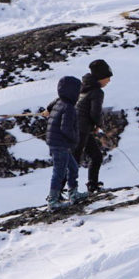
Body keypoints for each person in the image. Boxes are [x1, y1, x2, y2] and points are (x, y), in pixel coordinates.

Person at [46, 75, 88, 208]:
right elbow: (66, 128)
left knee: (72, 167)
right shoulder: (69, 107)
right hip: (60, 144)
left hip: (56, 142)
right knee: (59, 171)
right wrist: (75, 139)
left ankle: (73, 193)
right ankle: (53, 201)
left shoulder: (59, 102)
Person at [74, 59, 113, 194]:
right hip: (83, 129)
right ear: (100, 77)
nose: (108, 80)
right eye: (107, 77)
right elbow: (95, 112)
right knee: (77, 159)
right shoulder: (97, 92)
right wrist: (99, 125)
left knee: (94, 156)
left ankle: (92, 186)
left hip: (78, 127)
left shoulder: (83, 88)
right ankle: (65, 191)